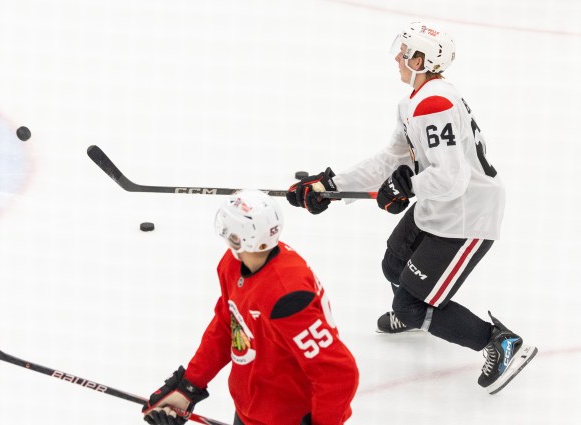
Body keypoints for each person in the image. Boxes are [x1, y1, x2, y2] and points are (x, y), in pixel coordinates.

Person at [286, 21, 537, 394]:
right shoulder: (414, 103)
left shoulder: (435, 103)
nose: (399, 60)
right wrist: (331, 185)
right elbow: (391, 159)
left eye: (406, 54)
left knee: (407, 306)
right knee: (393, 265)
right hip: (442, 208)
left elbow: (452, 178)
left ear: (423, 60)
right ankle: (420, 314)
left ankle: (498, 342)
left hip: (467, 217)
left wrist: (406, 187)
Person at [142, 189, 359, 425]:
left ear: (239, 238)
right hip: (251, 409)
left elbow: (338, 373)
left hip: (289, 417)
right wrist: (189, 385)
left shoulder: (287, 296)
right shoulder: (232, 265)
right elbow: (228, 325)